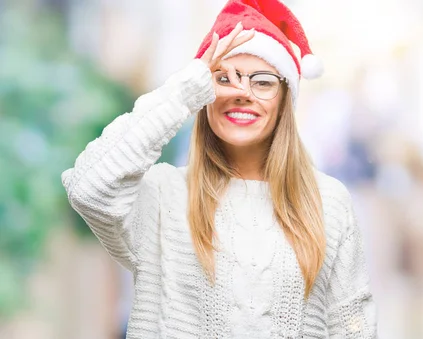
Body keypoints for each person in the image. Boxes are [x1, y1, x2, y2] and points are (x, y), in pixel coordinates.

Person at [61, 0, 377, 338]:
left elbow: (352, 323)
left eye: (262, 81)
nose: (242, 92)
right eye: (223, 77)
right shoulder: (161, 195)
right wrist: (184, 91)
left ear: (286, 98)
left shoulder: (329, 202)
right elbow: (88, 186)